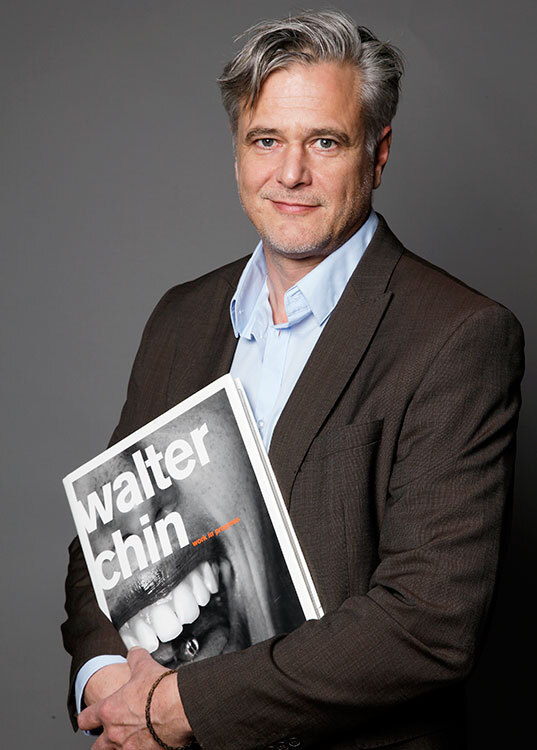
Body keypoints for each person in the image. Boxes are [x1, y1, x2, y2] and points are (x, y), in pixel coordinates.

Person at [62, 9, 524, 750]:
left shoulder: (457, 336)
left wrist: (178, 710)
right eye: (266, 140)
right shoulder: (180, 317)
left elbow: (428, 622)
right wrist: (108, 682)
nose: (290, 174)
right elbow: (109, 538)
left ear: (378, 153)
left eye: (325, 142)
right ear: (237, 151)